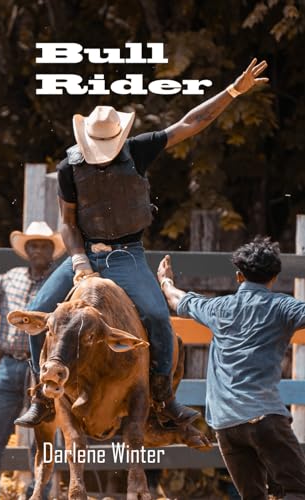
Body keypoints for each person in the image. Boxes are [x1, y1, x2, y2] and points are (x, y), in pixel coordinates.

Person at [15, 58, 269, 429]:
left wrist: (232, 91)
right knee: (39, 313)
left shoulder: (139, 150)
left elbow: (190, 123)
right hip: (83, 253)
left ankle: (163, 398)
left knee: (156, 317)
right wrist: (80, 261)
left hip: (126, 255)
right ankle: (42, 394)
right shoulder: (70, 167)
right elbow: (68, 224)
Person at [157, 237, 305, 500]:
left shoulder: (218, 308)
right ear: (274, 278)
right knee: (297, 488)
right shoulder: (282, 308)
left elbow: (176, 299)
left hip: (226, 425)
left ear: (238, 276)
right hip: (265, 420)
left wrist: (166, 280)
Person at [0, 221, 65, 500]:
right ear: (26, 250)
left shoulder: (59, 284)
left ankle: (38, 495)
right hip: (9, 365)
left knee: (45, 440)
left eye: (44, 245)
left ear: (51, 251)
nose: (37, 250)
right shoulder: (10, 277)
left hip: (43, 368)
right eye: (32, 245)